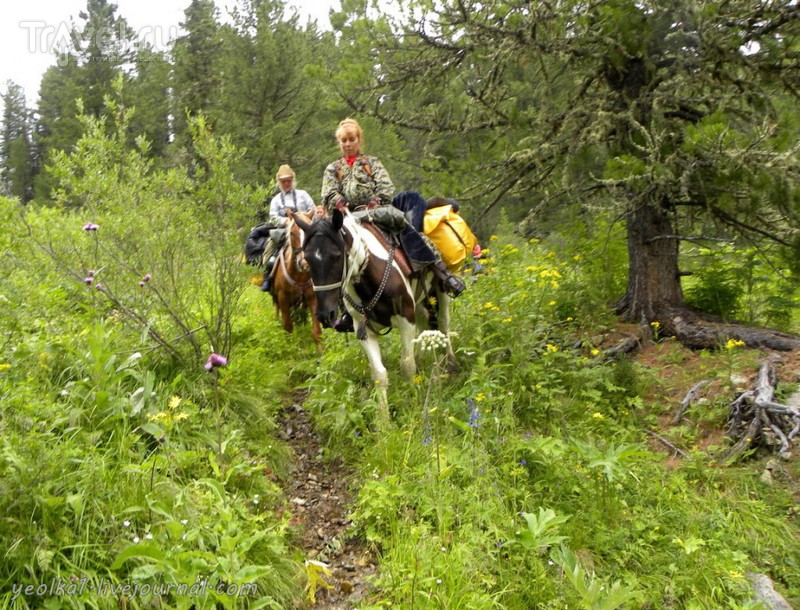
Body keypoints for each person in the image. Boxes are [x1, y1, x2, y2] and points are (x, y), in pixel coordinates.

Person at [321, 118, 466, 301]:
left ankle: (440, 272)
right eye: (344, 141)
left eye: (351, 139)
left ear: (359, 140)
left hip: (375, 211)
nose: (348, 144)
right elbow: (328, 193)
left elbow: (386, 187)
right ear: (339, 143)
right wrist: (339, 202)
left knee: (400, 219)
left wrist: (376, 201)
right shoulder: (332, 169)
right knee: (327, 247)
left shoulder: (371, 163)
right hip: (347, 216)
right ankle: (339, 302)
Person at [260, 164, 316, 292]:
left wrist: (305, 217)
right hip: (285, 229)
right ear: (279, 182)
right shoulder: (276, 200)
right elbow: (273, 217)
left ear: (293, 180)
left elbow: (313, 208)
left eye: (288, 180)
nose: (286, 183)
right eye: (283, 181)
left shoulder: (303, 194)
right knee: (270, 247)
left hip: (304, 228)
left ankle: (325, 274)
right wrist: (287, 220)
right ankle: (268, 277)